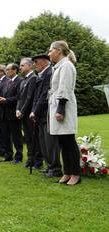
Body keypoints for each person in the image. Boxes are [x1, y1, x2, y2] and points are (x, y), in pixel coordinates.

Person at [48, 41, 81, 185]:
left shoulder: (66, 65)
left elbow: (64, 88)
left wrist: (60, 109)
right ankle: (67, 171)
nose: (49, 53)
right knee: (62, 142)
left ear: (59, 51)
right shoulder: (59, 66)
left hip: (64, 106)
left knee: (69, 141)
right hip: (56, 104)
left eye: (50, 50)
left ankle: (76, 173)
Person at [30, 54, 62, 178]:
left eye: (36, 62)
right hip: (40, 114)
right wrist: (34, 111)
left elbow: (44, 95)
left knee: (50, 142)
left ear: (44, 62)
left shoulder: (49, 73)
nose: (34, 65)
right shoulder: (42, 74)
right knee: (43, 141)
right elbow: (36, 96)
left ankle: (55, 168)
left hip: (47, 113)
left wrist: (35, 111)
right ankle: (50, 166)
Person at [17, 58, 42, 168]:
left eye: (22, 65)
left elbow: (29, 97)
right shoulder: (23, 80)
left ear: (30, 66)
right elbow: (20, 98)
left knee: (34, 138)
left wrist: (22, 111)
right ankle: (30, 158)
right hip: (23, 113)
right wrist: (18, 109)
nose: (20, 67)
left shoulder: (33, 78)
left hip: (30, 113)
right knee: (27, 138)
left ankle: (37, 160)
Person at [0, 63, 23, 163]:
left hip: (14, 112)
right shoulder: (7, 82)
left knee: (16, 136)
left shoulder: (20, 81)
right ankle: (8, 155)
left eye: (8, 69)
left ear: (14, 70)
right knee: (6, 135)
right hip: (5, 113)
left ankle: (18, 157)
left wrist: (6, 100)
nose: (6, 71)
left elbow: (19, 97)